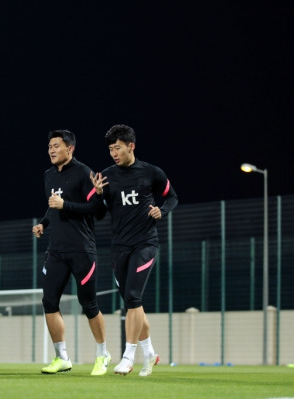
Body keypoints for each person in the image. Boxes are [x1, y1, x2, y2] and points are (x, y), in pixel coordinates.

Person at [90, 124, 178, 377]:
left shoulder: (152, 172)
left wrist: (162, 210)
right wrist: (97, 195)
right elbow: (99, 214)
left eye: (117, 148)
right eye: (110, 149)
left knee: (133, 298)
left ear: (131, 146)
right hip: (119, 247)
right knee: (131, 302)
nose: (113, 153)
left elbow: (172, 197)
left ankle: (128, 356)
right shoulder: (106, 176)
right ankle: (150, 353)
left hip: (145, 243)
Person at [32, 130, 111, 376]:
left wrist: (66, 205)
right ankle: (62, 357)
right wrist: (43, 223)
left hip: (82, 250)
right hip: (56, 250)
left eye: (56, 146)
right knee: (48, 302)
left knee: (88, 303)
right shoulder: (48, 175)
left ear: (70, 148)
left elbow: (97, 211)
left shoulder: (84, 173)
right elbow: (53, 208)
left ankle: (102, 354)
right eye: (49, 147)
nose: (51, 150)